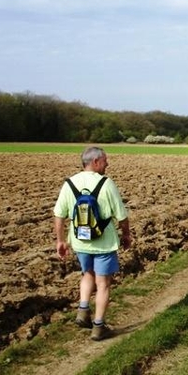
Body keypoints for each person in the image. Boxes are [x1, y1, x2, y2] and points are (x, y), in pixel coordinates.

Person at [54, 146, 131, 341]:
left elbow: (59, 215)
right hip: (103, 243)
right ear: (95, 162)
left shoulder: (69, 183)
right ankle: (98, 326)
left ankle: (83, 310)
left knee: (87, 274)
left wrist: (61, 240)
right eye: (105, 160)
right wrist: (126, 236)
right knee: (103, 283)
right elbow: (122, 216)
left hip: (79, 242)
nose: (108, 163)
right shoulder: (106, 183)